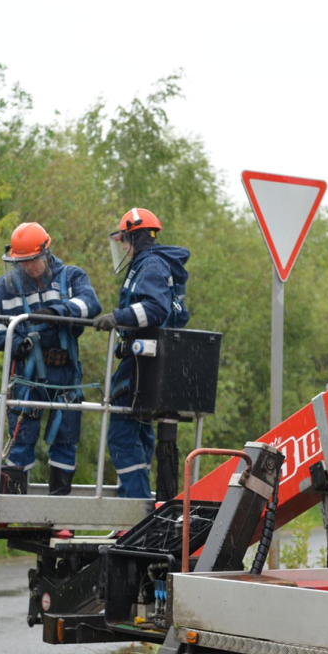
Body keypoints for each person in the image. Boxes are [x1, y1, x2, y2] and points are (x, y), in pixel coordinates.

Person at [0, 222, 101, 495]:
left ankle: (59, 510)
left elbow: (91, 305)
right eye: (22, 262)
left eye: (32, 260)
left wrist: (57, 312)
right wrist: (10, 342)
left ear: (46, 252)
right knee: (21, 439)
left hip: (65, 375)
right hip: (26, 376)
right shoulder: (2, 288)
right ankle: (13, 505)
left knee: (66, 439)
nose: (28, 267)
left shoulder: (72, 277)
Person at [92, 208, 190, 499]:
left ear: (134, 236)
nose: (122, 247)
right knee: (140, 431)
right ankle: (140, 506)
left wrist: (117, 317)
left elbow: (156, 309)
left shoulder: (150, 266)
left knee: (122, 435)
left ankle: (134, 509)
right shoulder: (159, 264)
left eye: (124, 240)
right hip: (150, 361)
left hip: (142, 363)